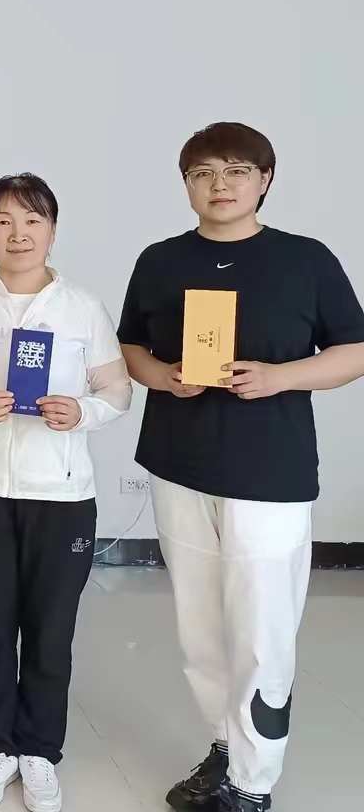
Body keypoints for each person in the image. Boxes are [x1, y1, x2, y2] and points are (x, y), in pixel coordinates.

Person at [118, 122, 364, 812]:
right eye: (202, 173)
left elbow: (355, 349)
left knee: (262, 631)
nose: (218, 185)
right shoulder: (161, 260)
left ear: (264, 180)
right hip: (179, 464)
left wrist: (280, 376)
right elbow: (130, 346)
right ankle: (224, 747)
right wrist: (163, 376)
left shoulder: (304, 259)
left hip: (269, 474)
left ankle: (254, 783)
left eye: (235, 170)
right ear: (186, 185)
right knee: (200, 630)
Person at [0, 173, 132, 812]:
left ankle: (40, 751)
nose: (18, 234)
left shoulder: (82, 308)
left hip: (62, 497)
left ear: (52, 231)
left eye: (32, 221)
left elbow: (118, 389)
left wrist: (83, 412)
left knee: (50, 629)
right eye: (3, 221)